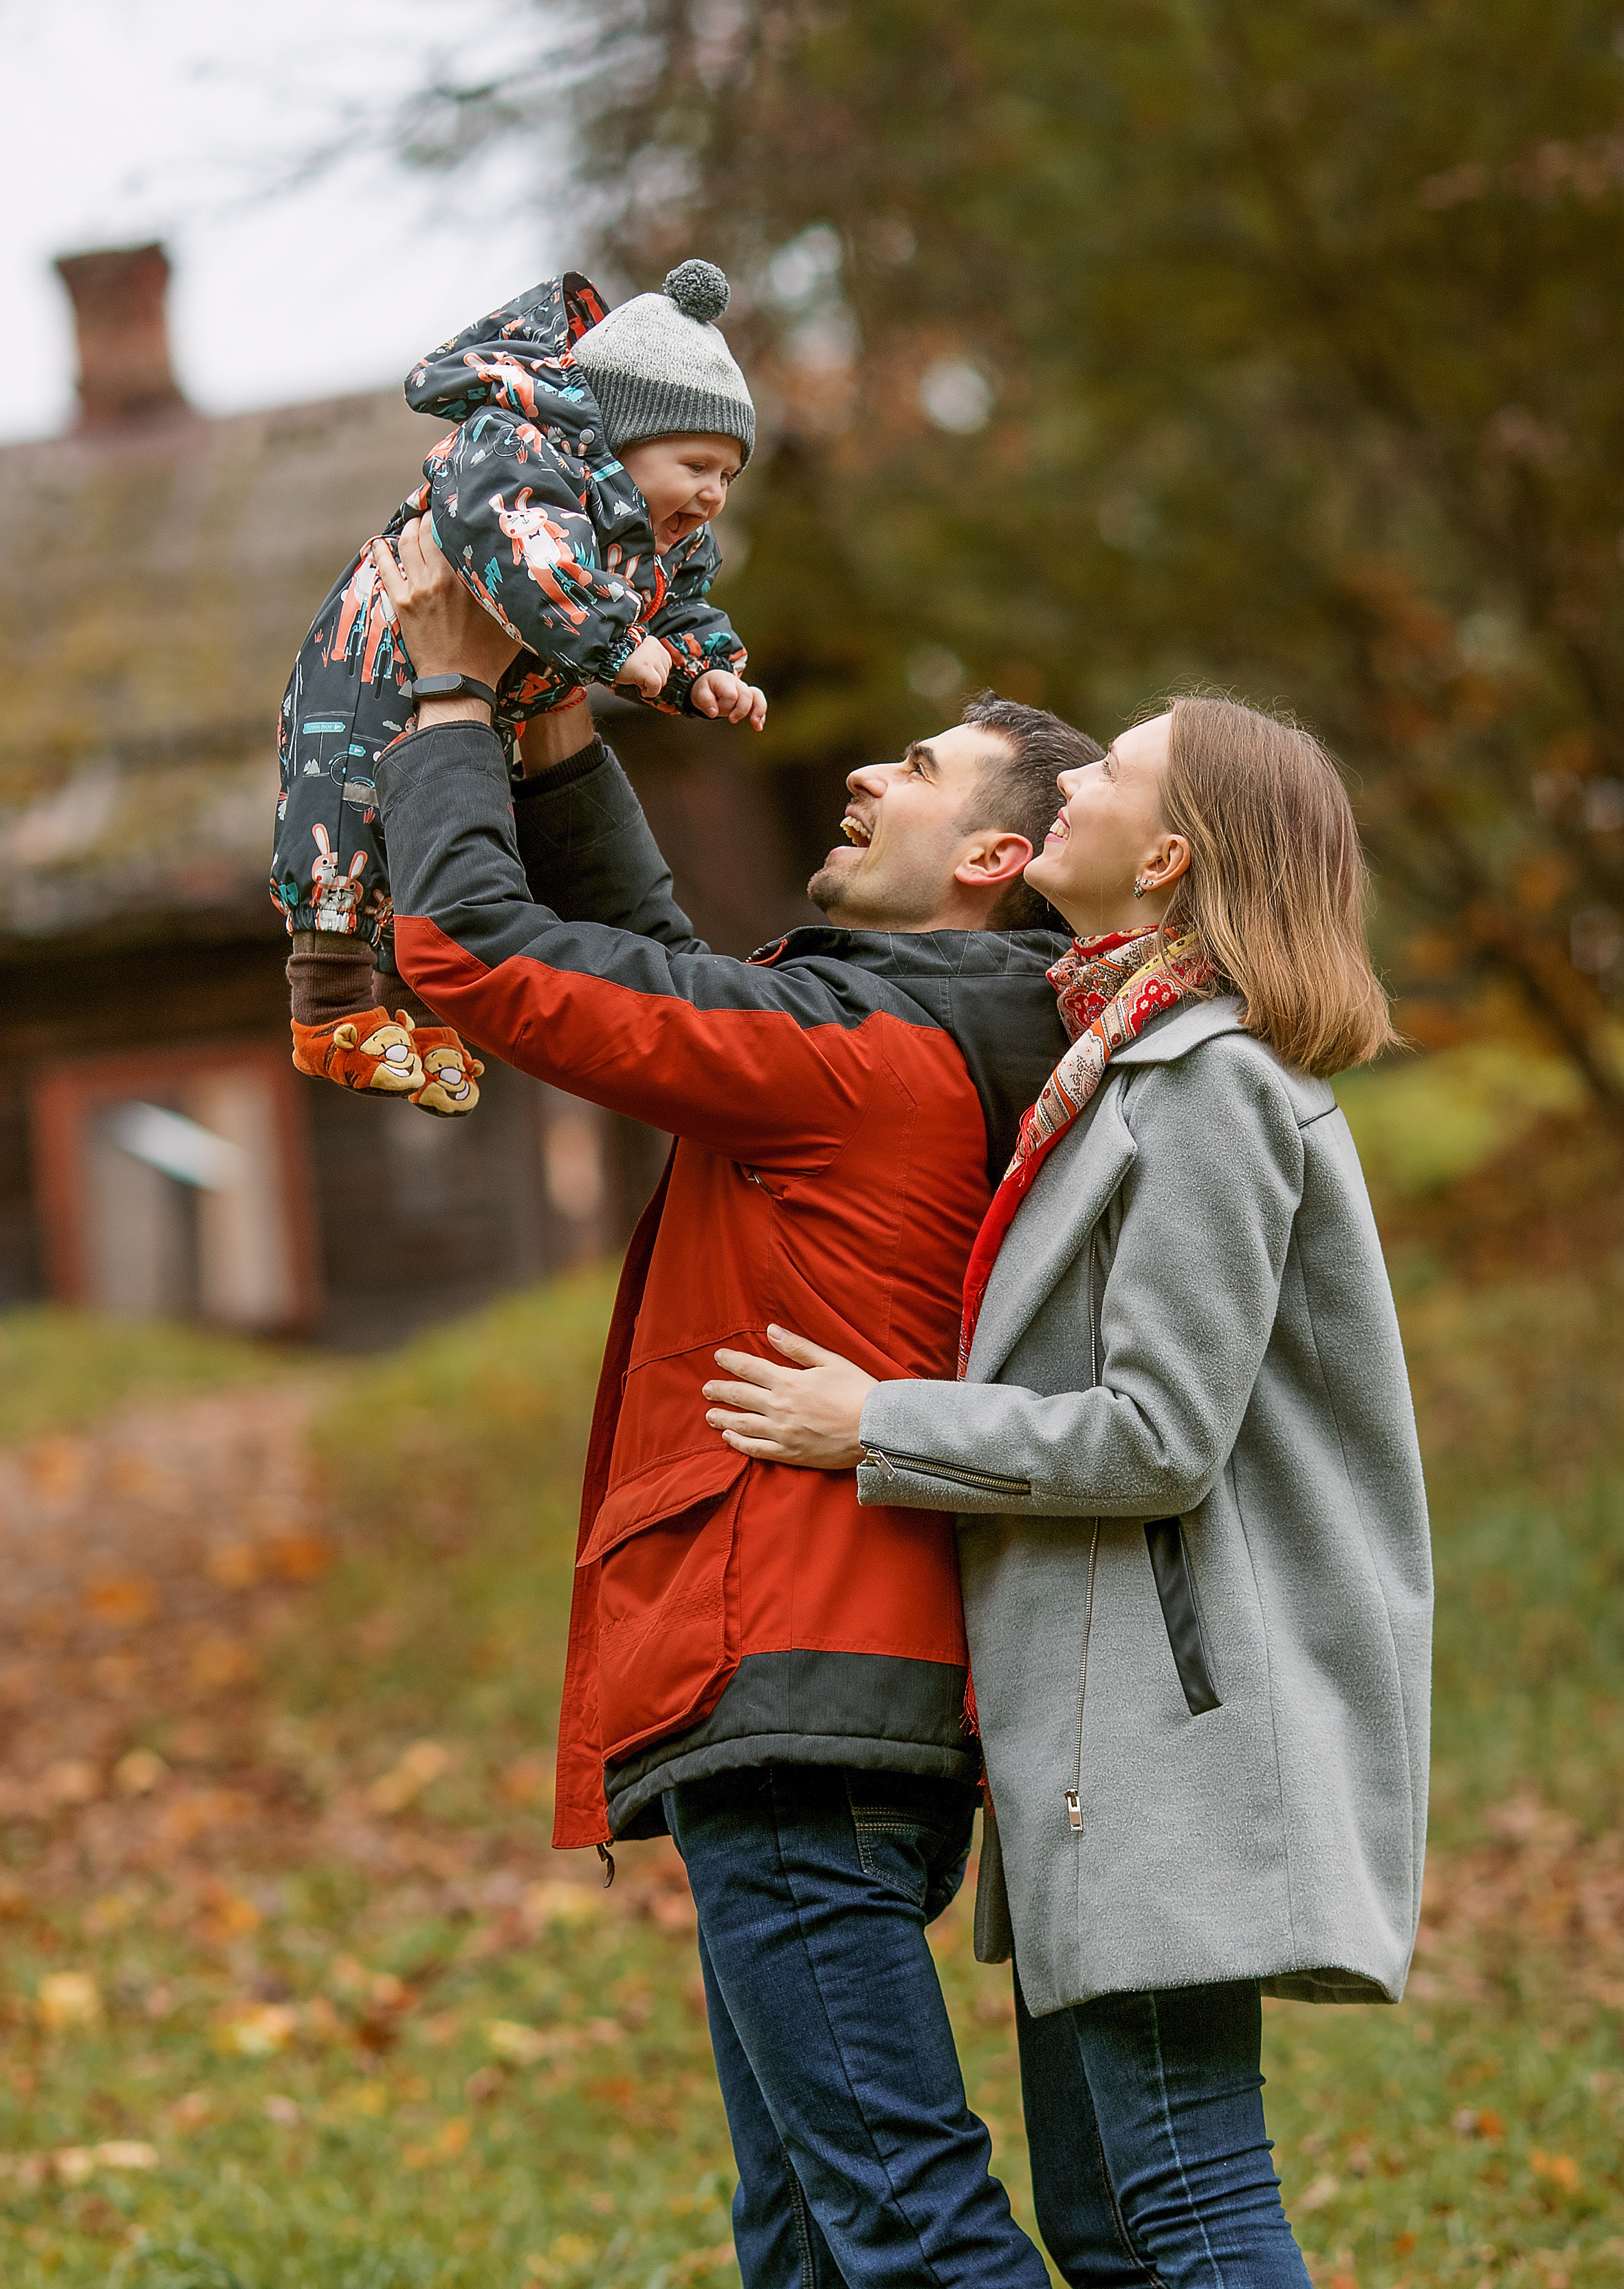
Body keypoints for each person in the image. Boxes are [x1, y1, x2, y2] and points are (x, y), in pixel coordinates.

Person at [370, 527, 1104, 2288]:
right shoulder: (892, 1036)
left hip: (794, 1705)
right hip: (840, 1710)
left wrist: (453, 694)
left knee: (905, 2233)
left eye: (915, 769)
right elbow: (658, 965)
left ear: (995, 857)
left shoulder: (860, 1067)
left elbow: (472, 951)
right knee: (803, 2235)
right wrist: (552, 734)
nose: (865, 769)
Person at [701, 697, 1433, 2288]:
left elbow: (1159, 1432)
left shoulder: (1209, 1084)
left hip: (1171, 1728)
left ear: (1163, 854)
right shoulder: (1113, 1060)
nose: (1072, 778)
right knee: (1113, 2225)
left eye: (1107, 767)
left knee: (1178, 2197)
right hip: (1103, 1725)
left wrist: (874, 1422)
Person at [270, 259, 763, 1117]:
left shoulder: (661, 536)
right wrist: (614, 644)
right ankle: (329, 1008)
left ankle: (424, 1009)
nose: (713, 495)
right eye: (696, 463)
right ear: (621, 434)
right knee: (346, 817)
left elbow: (680, 610)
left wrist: (702, 672)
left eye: (729, 475)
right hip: (371, 670)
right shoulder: (513, 449)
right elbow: (523, 552)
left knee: (450, 831)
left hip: (487, 695)